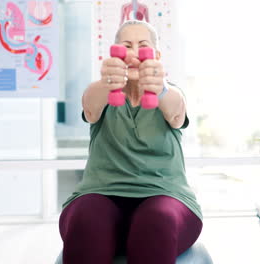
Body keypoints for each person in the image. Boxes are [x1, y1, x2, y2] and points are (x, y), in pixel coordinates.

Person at [59, 20, 202, 264]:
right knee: (88, 220)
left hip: (165, 196)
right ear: (115, 55)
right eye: (127, 46)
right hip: (100, 194)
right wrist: (107, 82)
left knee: (156, 219)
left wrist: (160, 88)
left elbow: (176, 113)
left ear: (156, 55)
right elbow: (90, 106)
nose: (134, 53)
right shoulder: (102, 94)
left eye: (142, 46)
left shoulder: (170, 93)